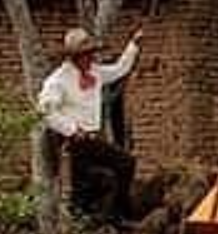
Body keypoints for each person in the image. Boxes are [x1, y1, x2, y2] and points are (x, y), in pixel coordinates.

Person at [37, 26, 142, 222]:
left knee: (90, 184)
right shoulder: (58, 81)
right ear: (74, 57)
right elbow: (45, 111)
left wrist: (133, 45)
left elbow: (119, 70)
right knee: (123, 164)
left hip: (92, 137)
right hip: (74, 140)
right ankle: (116, 215)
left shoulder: (95, 72)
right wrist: (71, 129)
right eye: (86, 54)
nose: (91, 58)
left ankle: (101, 218)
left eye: (91, 53)